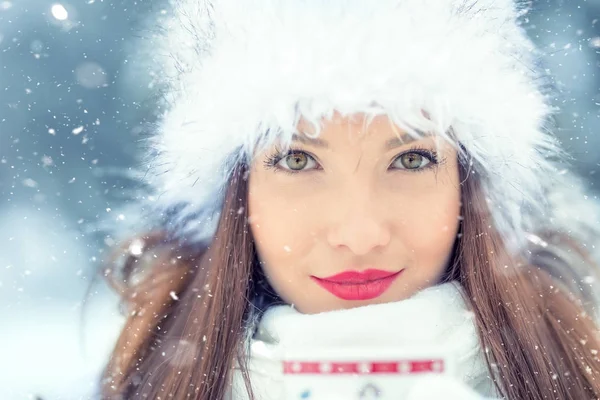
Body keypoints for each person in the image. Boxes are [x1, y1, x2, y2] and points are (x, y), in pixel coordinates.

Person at [99, 0, 600, 399]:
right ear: (236, 195)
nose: (359, 234)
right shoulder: (151, 381)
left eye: (410, 160)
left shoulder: (576, 372)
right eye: (298, 161)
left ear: (470, 189)